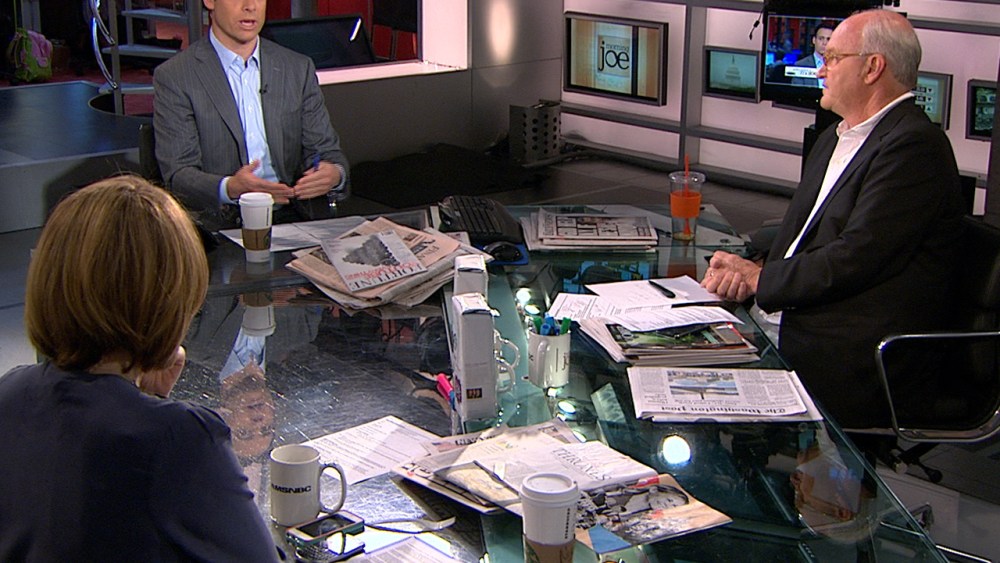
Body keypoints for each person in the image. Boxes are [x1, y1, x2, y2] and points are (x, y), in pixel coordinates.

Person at [700, 9, 965, 429]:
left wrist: (759, 280)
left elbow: (855, 257)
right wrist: (749, 270)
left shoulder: (915, 147)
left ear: (872, 68)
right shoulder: (834, 137)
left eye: (833, 58)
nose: (820, 69)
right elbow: (806, 239)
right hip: (785, 316)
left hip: (852, 352)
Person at [0, 175, 280, 561]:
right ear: (170, 303)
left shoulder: (10, 392)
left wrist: (145, 398)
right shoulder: (181, 438)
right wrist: (155, 410)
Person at [153, 0, 349, 231]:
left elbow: (326, 151)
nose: (250, 6)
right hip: (221, 225)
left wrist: (332, 173)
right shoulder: (176, 76)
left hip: (293, 215)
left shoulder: (297, 68)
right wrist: (230, 188)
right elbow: (179, 175)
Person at [792, 23, 834, 87]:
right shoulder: (801, 65)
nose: (824, 43)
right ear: (814, 40)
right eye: (821, 38)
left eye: (828, 39)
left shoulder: (838, 67)